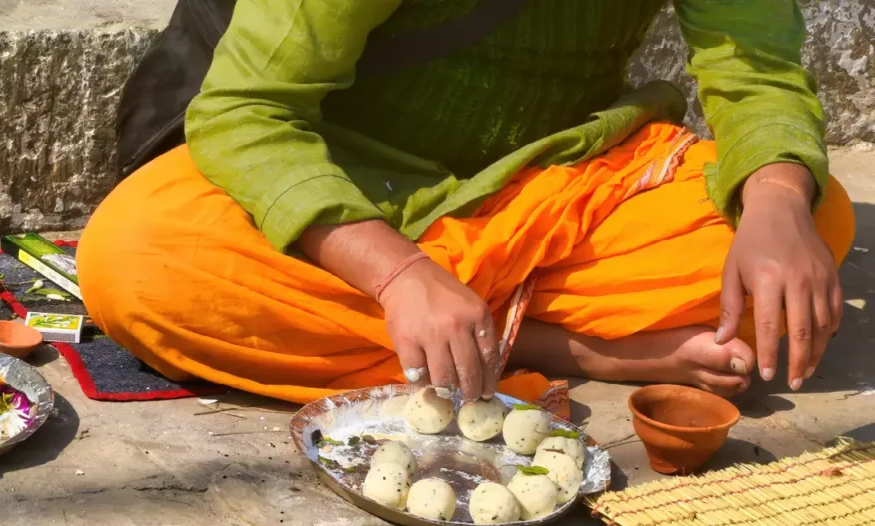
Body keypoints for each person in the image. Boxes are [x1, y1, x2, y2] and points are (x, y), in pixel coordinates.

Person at [78, 0, 856, 407]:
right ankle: (557, 345)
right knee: (135, 263)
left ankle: (458, 329)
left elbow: (758, 71)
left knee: (816, 228)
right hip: (348, 188)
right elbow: (244, 112)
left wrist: (780, 202)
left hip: (546, 180)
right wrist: (396, 275)